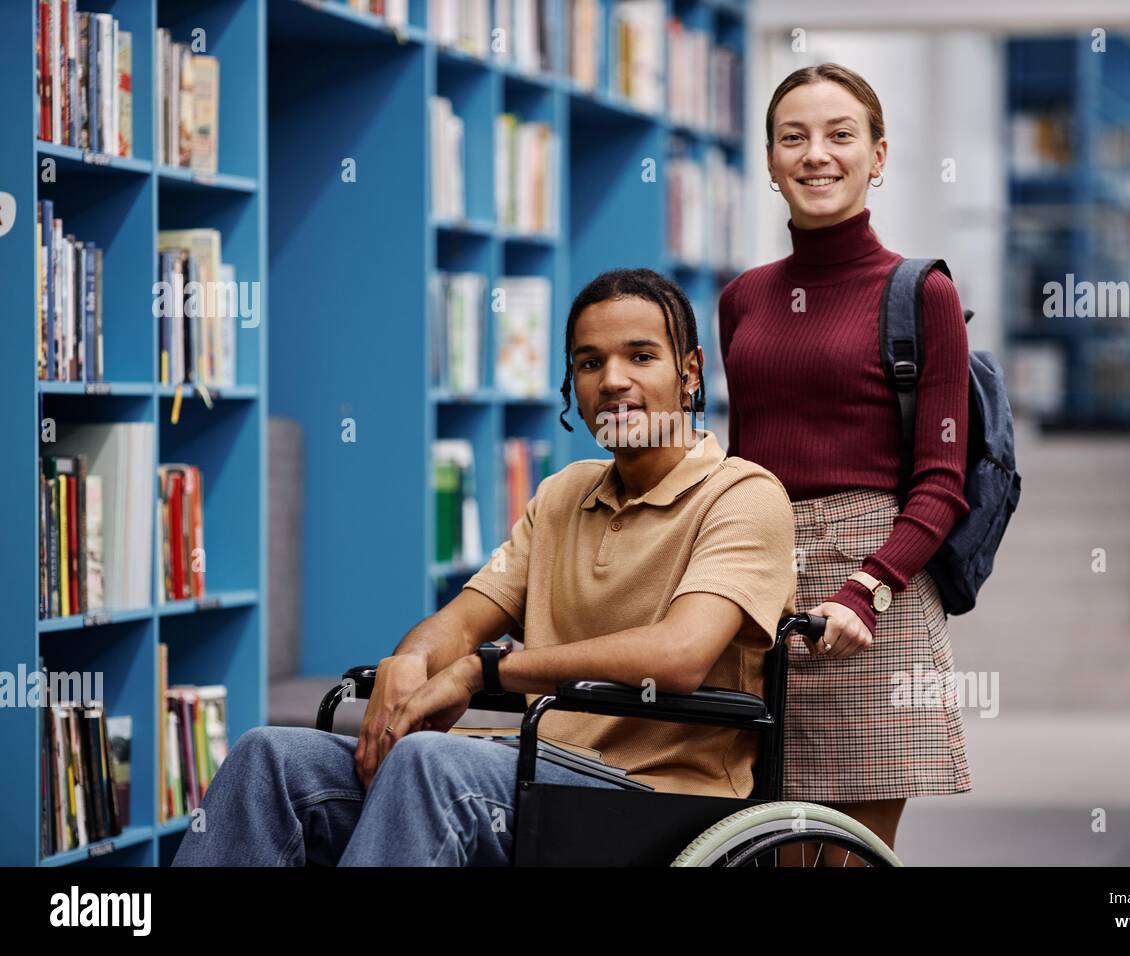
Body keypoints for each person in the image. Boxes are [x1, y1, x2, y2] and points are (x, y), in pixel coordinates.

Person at [171, 269, 796, 866]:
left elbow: (681, 655)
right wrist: (409, 662)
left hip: (656, 798)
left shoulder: (743, 494)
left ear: (690, 373)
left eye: (640, 356)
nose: (611, 380)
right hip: (531, 769)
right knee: (269, 759)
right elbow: (463, 620)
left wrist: (483, 670)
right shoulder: (561, 495)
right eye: (588, 362)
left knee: (429, 763)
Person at [718, 62, 973, 857]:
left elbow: (940, 483)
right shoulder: (743, 299)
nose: (815, 155)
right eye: (793, 137)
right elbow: (739, 458)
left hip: (872, 597)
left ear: (878, 154)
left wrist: (868, 590)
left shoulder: (920, 292)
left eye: (840, 135)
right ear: (768, 161)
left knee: (847, 852)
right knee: (760, 844)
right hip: (753, 586)